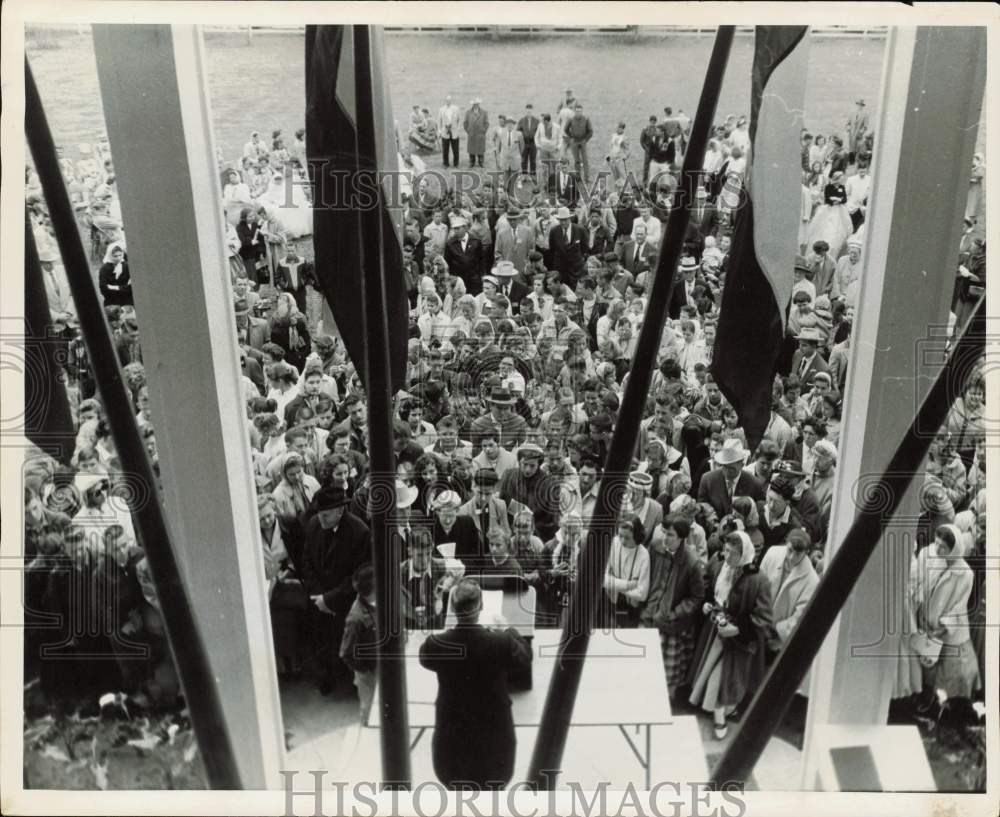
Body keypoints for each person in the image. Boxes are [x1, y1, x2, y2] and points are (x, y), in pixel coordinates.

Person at [419, 578, 532, 790]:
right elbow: (525, 656)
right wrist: (507, 629)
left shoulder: (437, 644)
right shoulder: (501, 643)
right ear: (481, 606)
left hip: (452, 742)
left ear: (452, 606)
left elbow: (425, 657)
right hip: (495, 742)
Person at [688, 531, 774, 739]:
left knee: (722, 678)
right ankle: (724, 710)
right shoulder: (719, 564)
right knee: (711, 673)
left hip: (739, 641)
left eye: (732, 553)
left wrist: (738, 629)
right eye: (725, 550)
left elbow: (764, 616)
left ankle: (721, 719)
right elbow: (708, 589)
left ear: (744, 554)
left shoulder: (758, 579)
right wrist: (707, 604)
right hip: (715, 631)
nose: (727, 556)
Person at [299, 485, 372, 696]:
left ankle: (349, 681)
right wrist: (319, 597)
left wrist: (330, 599)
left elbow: (358, 575)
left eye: (326, 514)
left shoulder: (360, 532)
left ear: (340, 511)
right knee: (321, 640)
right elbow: (306, 561)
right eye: (319, 513)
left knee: (346, 640)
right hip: (318, 598)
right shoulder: (314, 525)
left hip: (345, 601)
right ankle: (326, 676)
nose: (321, 518)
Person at [907, 525, 981, 704]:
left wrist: (941, 629)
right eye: (936, 543)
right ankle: (922, 699)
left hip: (946, 630)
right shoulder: (929, 555)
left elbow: (958, 607)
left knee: (947, 672)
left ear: (954, 550)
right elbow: (918, 584)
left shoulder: (965, 573)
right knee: (924, 664)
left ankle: (941, 705)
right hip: (925, 623)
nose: (938, 549)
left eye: (943, 547)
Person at [641, 514, 705, 698]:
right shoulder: (655, 547)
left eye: (670, 535)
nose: (665, 538)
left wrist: (675, 613)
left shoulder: (692, 562)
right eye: (664, 532)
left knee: (668, 674)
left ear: (681, 538)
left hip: (671, 625)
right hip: (649, 615)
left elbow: (697, 597)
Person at [758, 528, 818, 675]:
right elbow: (757, 585)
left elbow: (800, 617)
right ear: (786, 544)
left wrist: (775, 632)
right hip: (757, 625)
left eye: (798, 554)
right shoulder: (772, 553)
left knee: (763, 678)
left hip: (776, 640)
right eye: (790, 550)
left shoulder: (812, 580)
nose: (791, 557)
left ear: (806, 553)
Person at [338, 564, 377, 721]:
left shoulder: (378, 601)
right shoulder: (356, 618)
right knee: (370, 710)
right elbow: (347, 653)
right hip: (369, 674)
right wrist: (366, 671)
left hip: (383, 665)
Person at [698, 439, 765, 519]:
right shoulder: (707, 479)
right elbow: (701, 507)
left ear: (742, 464)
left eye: (731, 469)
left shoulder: (755, 484)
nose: (726, 472)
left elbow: (759, 514)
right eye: (724, 466)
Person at [603, 516, 650, 628]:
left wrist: (613, 583)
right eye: (620, 536)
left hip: (632, 609)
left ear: (637, 536)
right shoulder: (613, 543)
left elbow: (642, 594)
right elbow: (601, 578)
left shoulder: (644, 555)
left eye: (628, 538)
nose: (622, 541)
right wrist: (628, 585)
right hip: (610, 603)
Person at [805, 170, 852, 260]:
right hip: (829, 209)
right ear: (836, 179)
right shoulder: (828, 187)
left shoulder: (842, 187)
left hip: (839, 210)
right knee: (824, 228)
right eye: (841, 179)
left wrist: (839, 200)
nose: (842, 181)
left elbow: (845, 199)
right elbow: (827, 199)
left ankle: (831, 254)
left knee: (837, 230)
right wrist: (833, 200)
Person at [563, 102, 593, 182]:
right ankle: (578, 178)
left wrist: (585, 140)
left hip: (582, 141)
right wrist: (571, 136)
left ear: (582, 111)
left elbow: (590, 131)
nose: (578, 113)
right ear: (574, 111)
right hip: (574, 141)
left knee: (585, 160)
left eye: (580, 111)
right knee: (576, 161)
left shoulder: (586, 119)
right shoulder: (571, 119)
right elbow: (565, 129)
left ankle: (587, 178)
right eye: (577, 111)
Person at [98, 241, 133, 307]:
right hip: (111, 301)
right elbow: (103, 289)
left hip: (127, 301)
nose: (118, 258)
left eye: (120, 255)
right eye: (115, 256)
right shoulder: (104, 269)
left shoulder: (127, 266)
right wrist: (123, 289)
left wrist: (115, 287)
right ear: (110, 256)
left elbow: (131, 288)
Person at [463, 98, 489, 168]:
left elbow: (486, 123)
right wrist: (468, 131)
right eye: (474, 104)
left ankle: (481, 162)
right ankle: (472, 162)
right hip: (472, 134)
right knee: (471, 149)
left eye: (477, 104)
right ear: (472, 104)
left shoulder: (484, 112)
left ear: (479, 104)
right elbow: (465, 123)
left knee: (480, 149)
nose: (476, 105)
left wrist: (483, 131)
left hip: (480, 134)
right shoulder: (468, 112)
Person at [438, 95, 462, 168]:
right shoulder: (441, 109)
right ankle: (445, 163)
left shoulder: (456, 109)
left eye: (449, 100)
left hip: (454, 132)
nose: (448, 102)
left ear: (451, 101)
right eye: (447, 100)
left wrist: (458, 128)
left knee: (455, 148)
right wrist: (439, 131)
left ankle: (456, 163)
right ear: (445, 101)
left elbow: (459, 119)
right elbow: (439, 121)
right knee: (445, 149)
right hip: (445, 132)